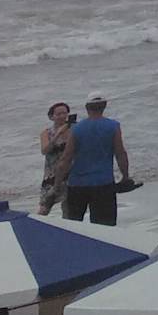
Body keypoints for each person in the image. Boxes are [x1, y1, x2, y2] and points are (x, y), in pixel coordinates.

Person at [60, 94, 130, 225]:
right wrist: (125, 176)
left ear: (87, 107)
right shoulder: (113, 126)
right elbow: (120, 153)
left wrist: (58, 183)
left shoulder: (76, 128)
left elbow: (66, 158)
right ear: (104, 106)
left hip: (77, 184)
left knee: (73, 226)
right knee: (104, 228)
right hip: (103, 183)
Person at [38, 101, 74, 214]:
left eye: (64, 113)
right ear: (52, 117)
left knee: (68, 207)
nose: (62, 116)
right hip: (52, 174)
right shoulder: (46, 133)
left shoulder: (74, 130)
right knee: (45, 206)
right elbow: (44, 150)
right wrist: (58, 134)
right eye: (58, 114)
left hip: (70, 173)